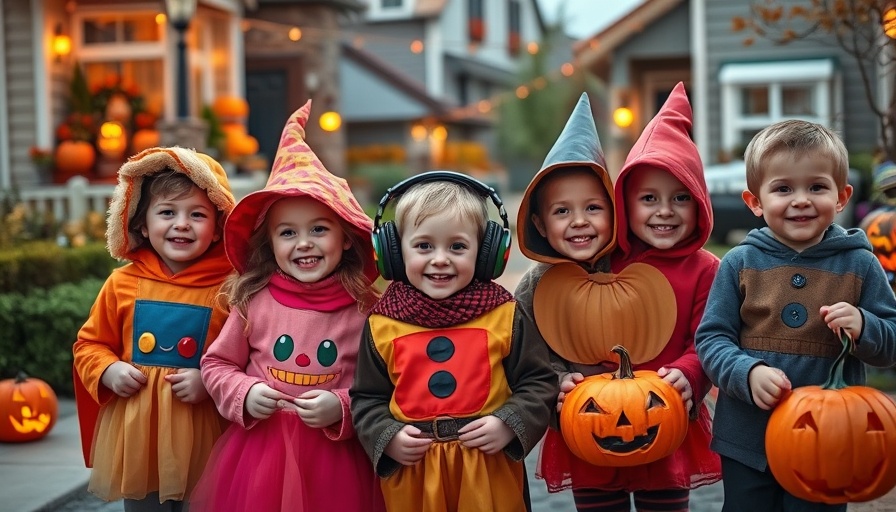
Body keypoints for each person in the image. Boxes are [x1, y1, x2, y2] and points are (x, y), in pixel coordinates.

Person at [189, 102, 385, 512]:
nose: (304, 243)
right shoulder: (253, 301)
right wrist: (246, 391)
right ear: (271, 243)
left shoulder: (366, 309)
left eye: (319, 229)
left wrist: (343, 406)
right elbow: (216, 365)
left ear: (347, 237)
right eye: (288, 232)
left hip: (338, 461)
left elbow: (384, 384)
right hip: (261, 455)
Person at [696, 119, 896, 512]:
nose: (800, 199)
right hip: (747, 440)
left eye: (816, 187)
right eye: (783, 188)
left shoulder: (860, 264)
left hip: (829, 446)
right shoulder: (739, 263)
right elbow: (712, 339)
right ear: (754, 201)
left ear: (841, 197)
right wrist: (746, 372)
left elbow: (891, 340)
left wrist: (866, 327)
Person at [542, 82, 721, 512]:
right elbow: (559, 328)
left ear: (699, 203)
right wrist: (559, 379)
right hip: (594, 415)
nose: (664, 211)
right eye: (648, 199)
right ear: (624, 202)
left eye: (681, 198)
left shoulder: (705, 270)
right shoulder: (605, 261)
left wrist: (691, 372)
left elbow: (710, 337)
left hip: (664, 412)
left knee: (665, 504)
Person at [350, 171, 559, 512]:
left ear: (487, 254)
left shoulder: (504, 315)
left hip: (488, 472)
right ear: (394, 253)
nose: (441, 258)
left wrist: (509, 423)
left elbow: (539, 382)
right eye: (423, 246)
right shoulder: (383, 323)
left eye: (458, 246)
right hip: (414, 477)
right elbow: (367, 398)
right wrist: (387, 436)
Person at [72, 146, 237, 511]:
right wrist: (109, 369)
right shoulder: (121, 284)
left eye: (197, 214)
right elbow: (90, 344)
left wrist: (209, 382)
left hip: (205, 434)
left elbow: (246, 355)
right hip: (139, 437)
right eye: (167, 213)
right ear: (143, 224)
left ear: (217, 229)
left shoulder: (230, 289)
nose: (182, 223)